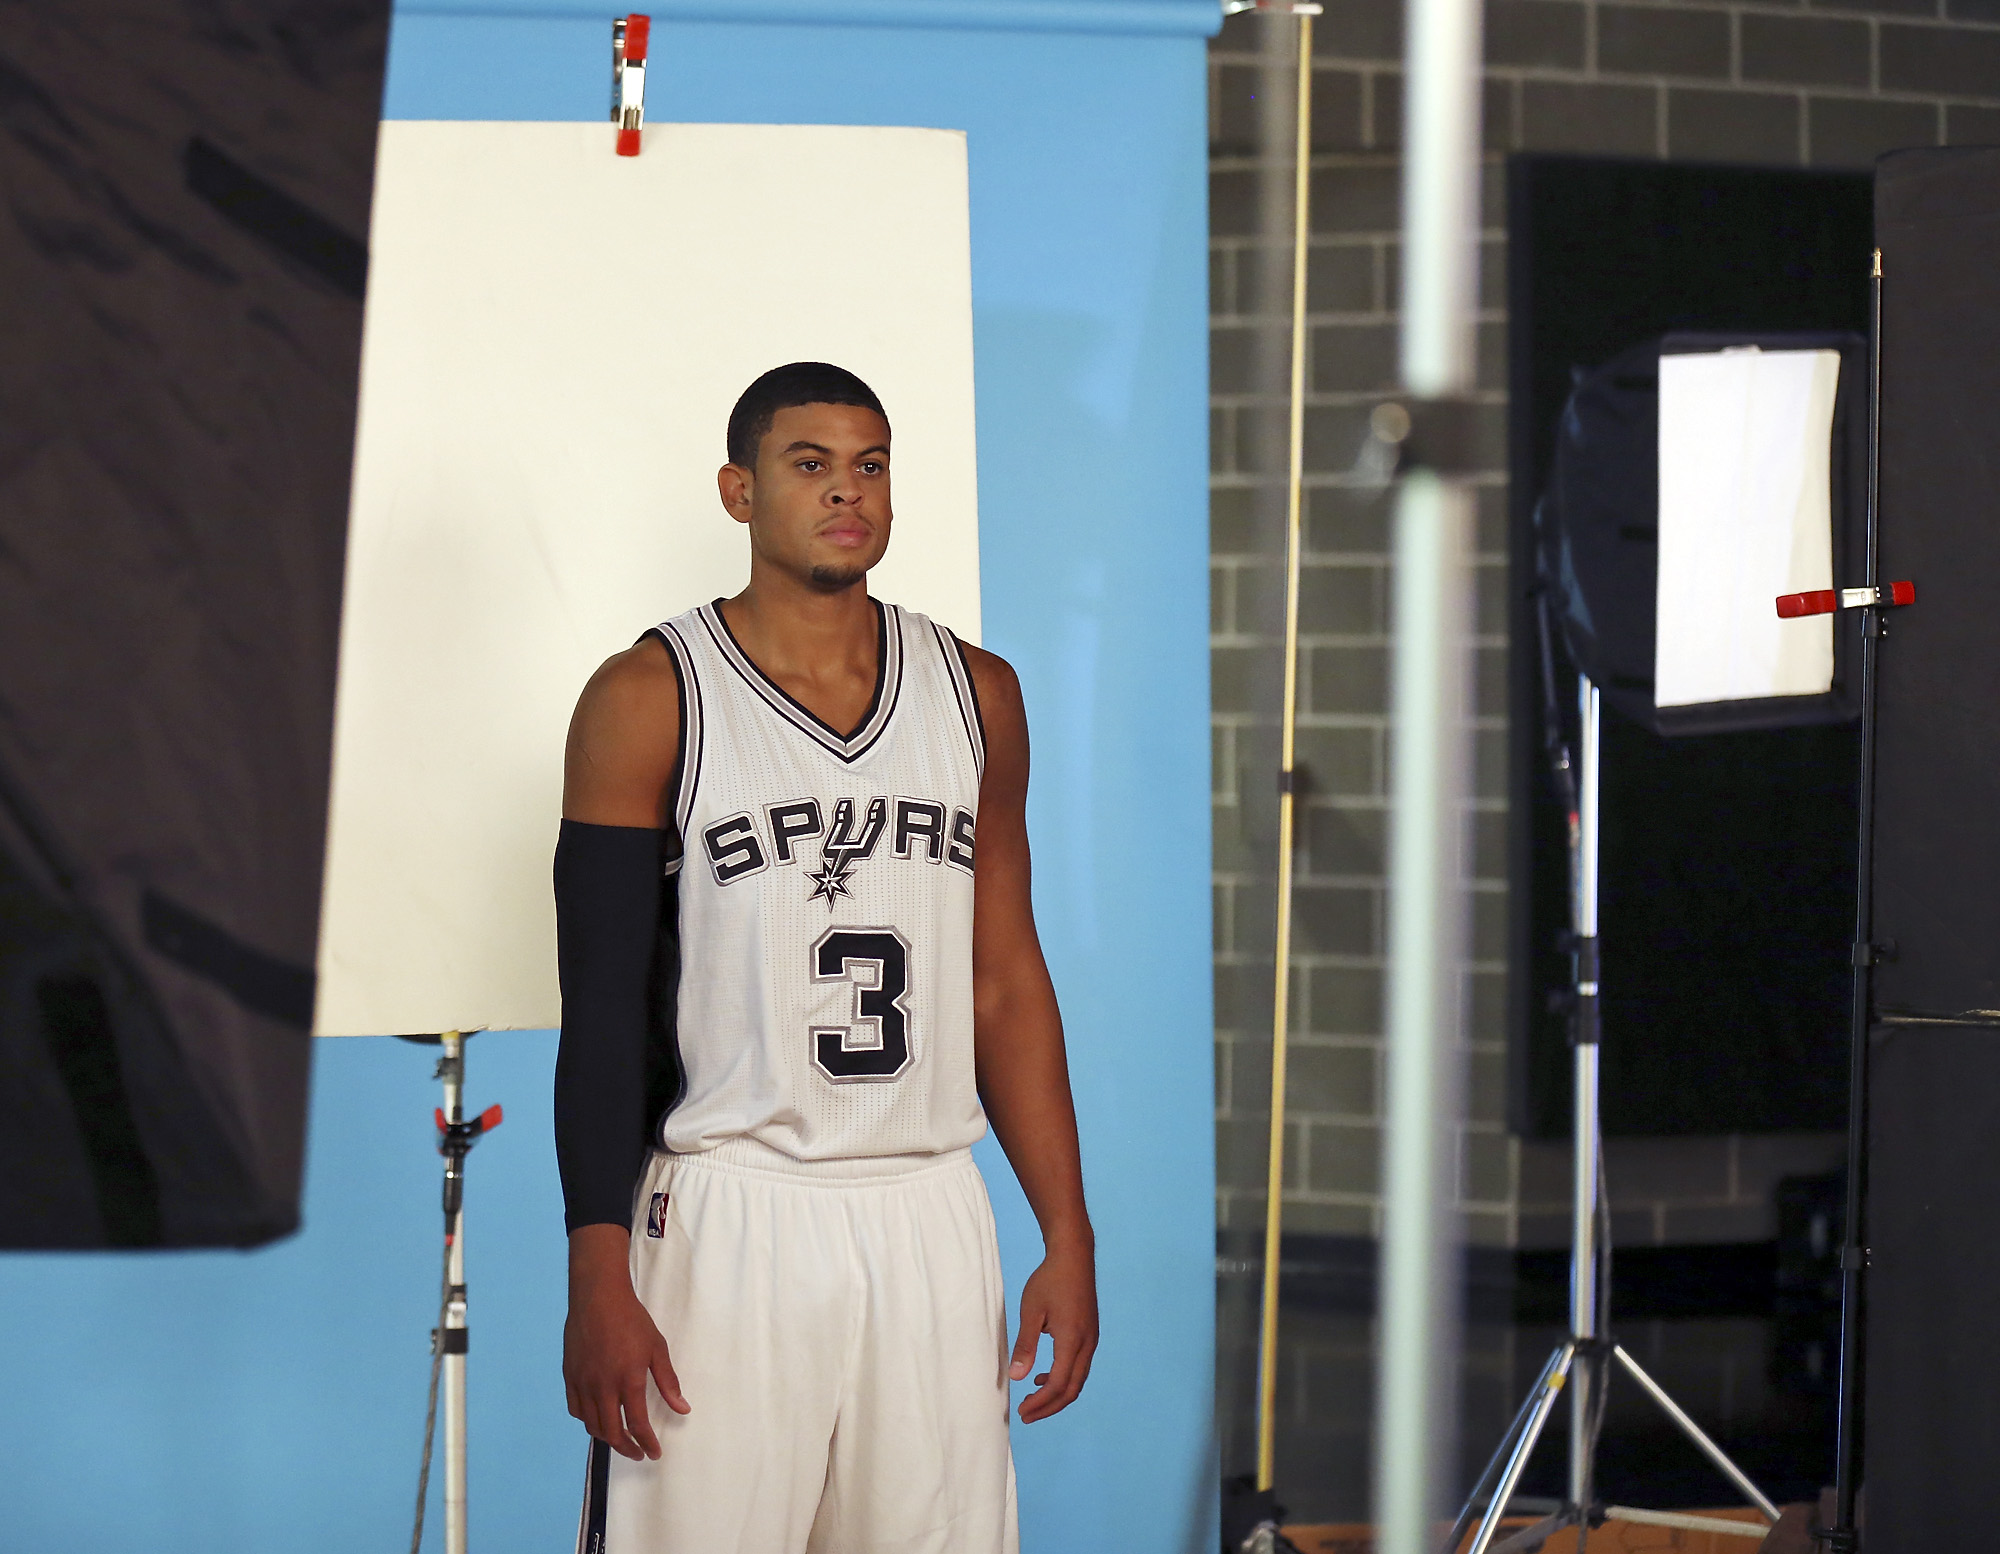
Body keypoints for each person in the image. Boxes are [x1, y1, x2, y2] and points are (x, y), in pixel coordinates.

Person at [552, 361, 1096, 1553]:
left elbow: (1002, 977)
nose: (845, 493)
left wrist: (1067, 1230)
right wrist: (596, 1267)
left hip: (927, 1211)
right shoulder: (649, 696)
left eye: (869, 466)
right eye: (809, 466)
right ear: (738, 492)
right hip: (729, 1209)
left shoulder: (977, 695)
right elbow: (595, 1005)